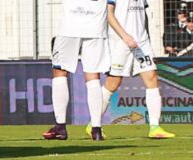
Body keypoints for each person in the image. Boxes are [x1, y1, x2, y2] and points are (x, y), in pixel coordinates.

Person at [97, 0, 175, 139]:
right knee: (113, 82)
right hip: (120, 42)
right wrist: (125, 36)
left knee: (152, 77)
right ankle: (94, 123)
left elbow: (142, 16)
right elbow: (109, 14)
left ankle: (155, 127)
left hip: (141, 42)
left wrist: (148, 42)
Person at [43, 0, 110, 141]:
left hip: (71, 24)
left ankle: (60, 126)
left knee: (60, 71)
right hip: (96, 24)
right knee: (93, 75)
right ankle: (96, 129)